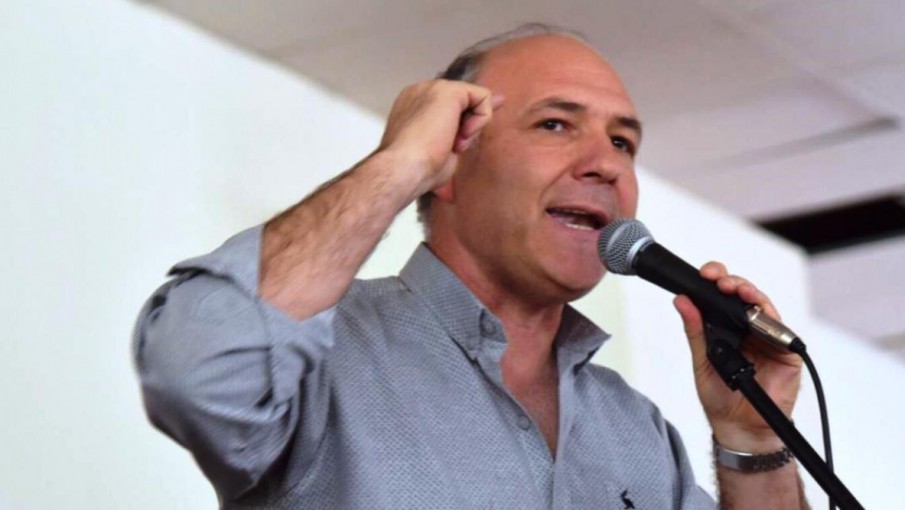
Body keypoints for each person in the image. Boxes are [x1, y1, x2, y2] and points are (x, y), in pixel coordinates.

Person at [134, 24, 807, 509]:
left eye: (622, 141)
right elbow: (194, 371)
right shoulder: (329, 352)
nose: (605, 163)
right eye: (554, 124)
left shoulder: (633, 430)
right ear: (449, 166)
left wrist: (751, 438)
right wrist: (399, 163)